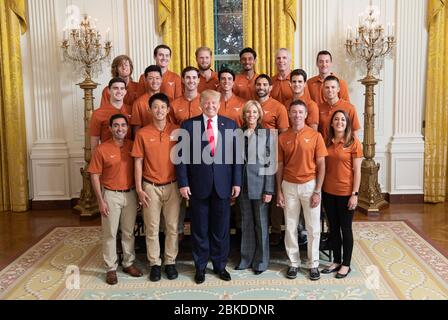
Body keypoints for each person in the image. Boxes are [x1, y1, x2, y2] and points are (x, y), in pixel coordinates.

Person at [175, 89, 242, 284]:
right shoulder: (188, 126)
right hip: (197, 187)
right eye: (207, 102)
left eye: (214, 103)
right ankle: (201, 267)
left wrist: (237, 182)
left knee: (221, 229)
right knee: (200, 229)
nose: (210, 106)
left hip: (223, 186)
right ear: (200, 104)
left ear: (219, 104)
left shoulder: (230, 125)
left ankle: (220, 266)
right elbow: (181, 158)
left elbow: (237, 157)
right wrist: (183, 183)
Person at [132, 93, 181, 282]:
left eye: (163, 107)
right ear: (150, 110)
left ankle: (170, 262)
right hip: (150, 186)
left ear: (168, 110)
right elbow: (138, 162)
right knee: (151, 228)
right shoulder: (142, 133)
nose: (159, 110)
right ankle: (155, 263)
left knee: (172, 226)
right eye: (155, 107)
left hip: (173, 185)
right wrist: (139, 189)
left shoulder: (177, 131)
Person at [88, 114, 143, 285]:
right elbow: (95, 176)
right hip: (110, 194)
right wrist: (100, 200)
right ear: (110, 128)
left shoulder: (133, 146)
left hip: (131, 194)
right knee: (110, 233)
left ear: (127, 128)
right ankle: (111, 268)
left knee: (128, 232)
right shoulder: (101, 149)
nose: (120, 129)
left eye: (123, 125)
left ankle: (128, 263)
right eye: (116, 126)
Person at [276, 100, 327, 281]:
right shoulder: (282, 137)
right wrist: (279, 191)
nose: (297, 115)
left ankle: (313, 264)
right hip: (288, 186)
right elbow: (280, 165)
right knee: (290, 227)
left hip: (310, 186)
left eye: (300, 112)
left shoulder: (315, 136)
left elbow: (321, 164)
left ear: (306, 115)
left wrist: (318, 191)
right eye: (294, 112)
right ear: (289, 114)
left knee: (313, 228)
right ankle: (293, 263)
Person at [235, 100, 275, 275]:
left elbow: (270, 164)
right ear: (244, 115)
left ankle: (261, 261)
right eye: (248, 112)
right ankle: (246, 258)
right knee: (246, 223)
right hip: (243, 186)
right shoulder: (238, 133)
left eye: (254, 112)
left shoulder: (267, 134)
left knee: (261, 224)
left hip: (260, 186)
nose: (251, 115)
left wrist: (269, 190)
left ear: (259, 114)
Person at [321, 110, 362, 278]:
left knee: (346, 229)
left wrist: (355, 194)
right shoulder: (327, 142)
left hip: (346, 192)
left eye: (343, 120)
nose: (339, 122)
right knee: (333, 228)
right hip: (328, 192)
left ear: (347, 123)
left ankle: (346, 264)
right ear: (331, 123)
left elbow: (357, 171)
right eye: (336, 119)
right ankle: (336, 260)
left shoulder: (353, 143)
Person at [254, 74, 289, 246]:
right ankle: (257, 230)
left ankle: (275, 230)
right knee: (257, 192)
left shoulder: (278, 107)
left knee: (273, 191)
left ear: (270, 87)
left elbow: (283, 134)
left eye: (264, 84)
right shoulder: (251, 106)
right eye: (258, 84)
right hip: (253, 157)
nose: (261, 87)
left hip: (273, 156)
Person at [90, 77, 132, 153]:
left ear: (125, 91)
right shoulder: (98, 113)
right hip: (108, 156)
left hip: (129, 156)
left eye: (122, 88)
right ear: (109, 91)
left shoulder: (132, 110)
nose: (119, 91)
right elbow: (94, 143)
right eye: (115, 88)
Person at [318, 75, 361, 142]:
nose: (330, 90)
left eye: (333, 87)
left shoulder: (349, 108)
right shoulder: (319, 108)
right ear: (323, 90)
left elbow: (354, 133)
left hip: (344, 149)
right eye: (327, 87)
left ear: (338, 89)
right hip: (324, 149)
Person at [130, 65, 162, 133]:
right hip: (147, 140)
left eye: (157, 78)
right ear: (145, 80)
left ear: (161, 79)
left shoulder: (169, 101)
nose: (154, 81)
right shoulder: (138, 103)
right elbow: (136, 130)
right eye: (151, 78)